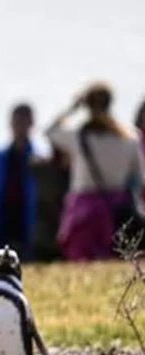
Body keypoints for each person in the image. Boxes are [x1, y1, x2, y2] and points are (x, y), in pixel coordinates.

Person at [47, 82, 145, 260]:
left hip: (84, 211)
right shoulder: (130, 138)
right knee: (117, 260)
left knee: (82, 261)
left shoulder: (79, 137)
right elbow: (140, 177)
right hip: (119, 210)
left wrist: (73, 108)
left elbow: (50, 131)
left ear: (87, 105)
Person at [0, 103, 39, 261]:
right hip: (0, 224)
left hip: (26, 225)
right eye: (17, 122)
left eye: (24, 122)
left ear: (31, 124)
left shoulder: (39, 160)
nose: (20, 127)